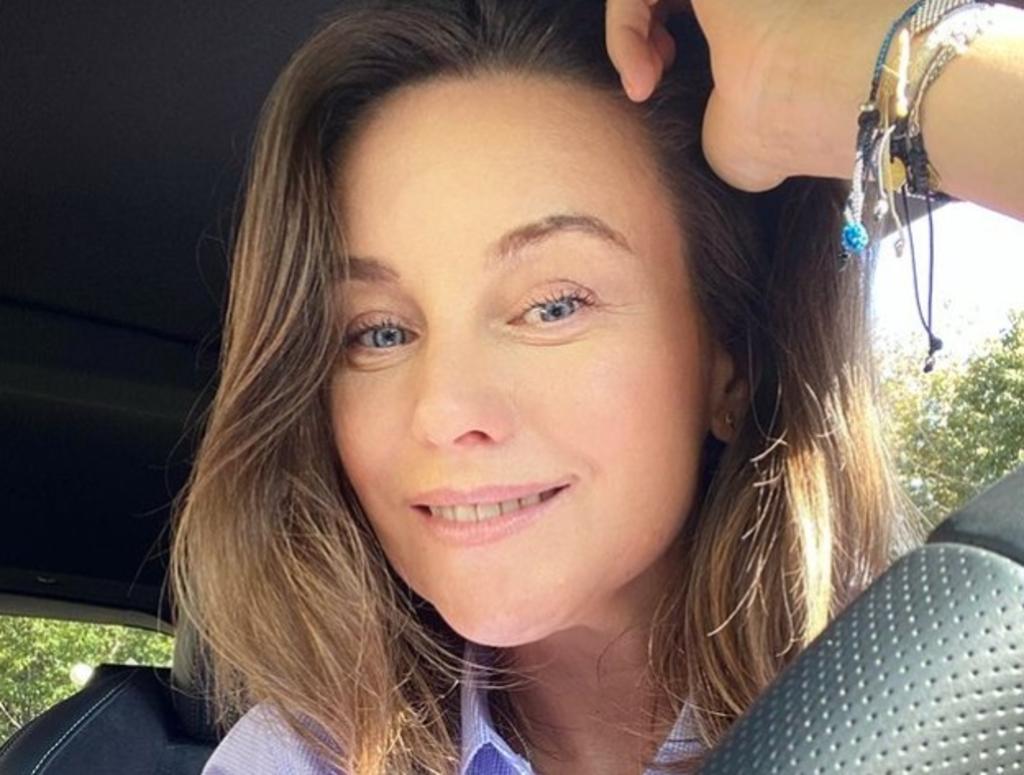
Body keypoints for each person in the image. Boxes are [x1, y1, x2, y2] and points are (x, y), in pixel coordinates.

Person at [171, 0, 1023, 773]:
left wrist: (892, 66)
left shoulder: (946, 694)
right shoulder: (300, 758)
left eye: (553, 305)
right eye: (379, 332)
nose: (443, 411)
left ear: (733, 359)